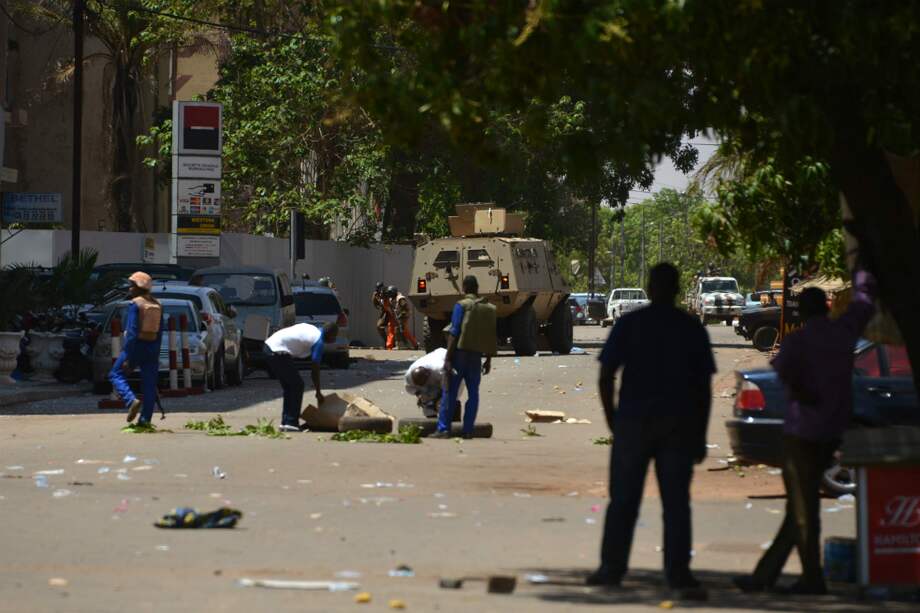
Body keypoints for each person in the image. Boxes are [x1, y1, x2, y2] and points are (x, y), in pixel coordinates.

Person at [734, 270, 875, 596]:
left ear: (804, 313)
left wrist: (803, 390)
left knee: (803, 512)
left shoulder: (798, 341)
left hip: (802, 433)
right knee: (800, 509)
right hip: (832, 432)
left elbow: (782, 372)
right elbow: (864, 305)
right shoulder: (843, 332)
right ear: (827, 308)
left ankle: (809, 579)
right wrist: (865, 269)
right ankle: (764, 577)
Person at [589, 262, 715, 597]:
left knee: (623, 502)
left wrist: (613, 420)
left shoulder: (631, 324)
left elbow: (605, 376)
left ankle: (611, 570)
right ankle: (678, 575)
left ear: (650, 287)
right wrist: (700, 435)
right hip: (678, 427)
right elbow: (703, 389)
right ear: (677, 288)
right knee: (676, 505)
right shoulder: (691, 329)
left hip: (633, 425)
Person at [431, 276, 496, 439]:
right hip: (477, 356)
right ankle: (467, 431)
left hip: (460, 354)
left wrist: (448, 357)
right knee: (473, 393)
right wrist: (488, 359)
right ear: (477, 287)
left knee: (450, 391)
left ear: (465, 287)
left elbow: (454, 332)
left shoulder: (462, 305)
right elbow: (490, 335)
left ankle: (444, 429)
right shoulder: (488, 308)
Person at [263, 322, 338, 432]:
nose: (334, 340)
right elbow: (315, 369)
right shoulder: (318, 341)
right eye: (334, 337)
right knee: (297, 385)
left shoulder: (313, 330)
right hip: (277, 350)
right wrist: (318, 392)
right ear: (330, 335)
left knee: (290, 386)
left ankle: (286, 422)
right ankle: (291, 423)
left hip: (269, 347)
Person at [110, 271, 163, 425]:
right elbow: (160, 332)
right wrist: (156, 354)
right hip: (152, 347)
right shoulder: (158, 305)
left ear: (139, 288)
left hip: (136, 346)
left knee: (115, 373)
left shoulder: (136, 304)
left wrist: (128, 356)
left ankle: (130, 399)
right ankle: (145, 419)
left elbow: (132, 333)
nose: (129, 290)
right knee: (149, 384)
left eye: (132, 286)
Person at [404, 347, 448, 417]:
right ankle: (431, 420)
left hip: (447, 358)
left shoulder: (440, 369)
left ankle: (452, 420)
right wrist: (419, 395)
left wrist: (439, 399)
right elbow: (409, 388)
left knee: (448, 401)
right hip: (433, 364)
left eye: (424, 382)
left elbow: (449, 388)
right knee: (427, 400)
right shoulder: (409, 376)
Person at [383, 286, 399, 350]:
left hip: (399, 317)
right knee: (391, 331)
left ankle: (415, 344)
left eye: (390, 293)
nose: (389, 294)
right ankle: (389, 346)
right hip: (393, 316)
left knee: (403, 332)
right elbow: (387, 307)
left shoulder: (399, 298)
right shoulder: (389, 299)